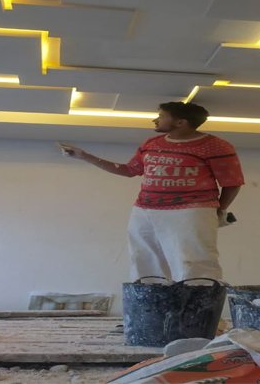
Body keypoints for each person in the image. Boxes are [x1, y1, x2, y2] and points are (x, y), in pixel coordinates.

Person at [57, 102, 244, 281]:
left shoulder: (216, 146)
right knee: (144, 259)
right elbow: (129, 170)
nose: (155, 120)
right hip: (145, 209)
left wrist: (219, 210)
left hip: (191, 209)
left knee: (193, 260)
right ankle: (151, 299)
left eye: (161, 116)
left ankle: (197, 301)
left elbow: (232, 182)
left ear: (181, 122)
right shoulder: (152, 143)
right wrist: (85, 157)